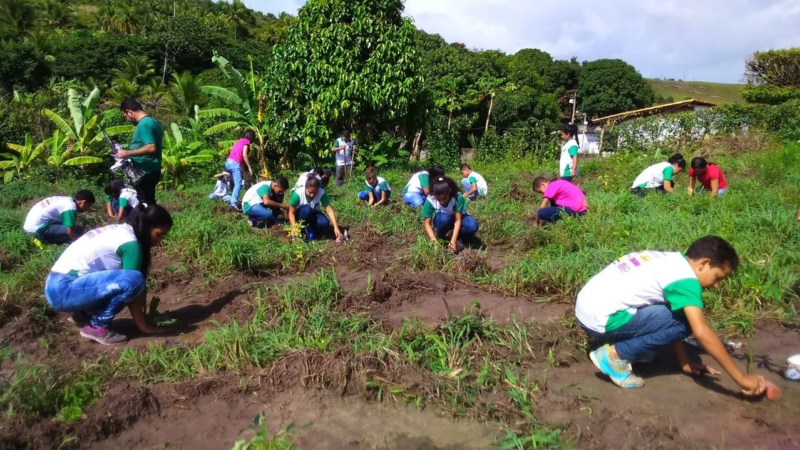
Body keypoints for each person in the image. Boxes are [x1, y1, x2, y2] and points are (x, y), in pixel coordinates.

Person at [576, 236, 768, 397]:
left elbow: (673, 312)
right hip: (603, 320)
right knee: (688, 324)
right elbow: (701, 332)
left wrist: (684, 361)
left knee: (678, 317)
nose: (716, 285)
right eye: (718, 277)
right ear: (704, 263)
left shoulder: (671, 259)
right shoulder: (686, 280)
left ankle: (624, 346)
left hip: (587, 311)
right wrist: (741, 378)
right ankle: (614, 355)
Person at [44, 204, 173, 345]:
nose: (159, 241)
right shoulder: (131, 245)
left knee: (118, 281)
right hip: (64, 290)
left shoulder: (121, 230)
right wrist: (144, 326)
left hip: (57, 284)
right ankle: (96, 327)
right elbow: (133, 288)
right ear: (145, 227)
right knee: (134, 280)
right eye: (159, 234)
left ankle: (82, 315)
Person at [116, 98, 164, 205]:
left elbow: (151, 147)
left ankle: (153, 216)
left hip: (146, 172)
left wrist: (127, 153)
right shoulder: (151, 121)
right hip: (151, 170)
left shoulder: (144, 124)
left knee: (146, 204)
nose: (127, 119)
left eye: (125, 115)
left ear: (129, 111)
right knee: (148, 201)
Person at [421, 176, 479, 252]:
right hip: (442, 220)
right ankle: (441, 237)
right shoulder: (431, 199)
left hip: (456, 218)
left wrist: (453, 240)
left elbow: (458, 220)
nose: (441, 202)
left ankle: (458, 237)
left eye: (444, 198)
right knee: (444, 219)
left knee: (472, 225)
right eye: (439, 199)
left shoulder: (457, 197)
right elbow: (427, 223)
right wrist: (434, 241)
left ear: (449, 192)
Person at [23, 191, 95, 245]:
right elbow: (70, 231)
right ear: (83, 202)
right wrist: (81, 242)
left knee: (68, 226)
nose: (87, 209)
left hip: (31, 225)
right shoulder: (70, 207)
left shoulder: (66, 200)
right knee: (78, 230)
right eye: (88, 206)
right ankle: (44, 241)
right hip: (36, 229)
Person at [288, 177, 343, 241]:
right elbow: (291, 212)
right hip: (300, 215)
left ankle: (309, 228)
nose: (312, 195)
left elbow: (329, 209)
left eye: (315, 192)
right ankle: (300, 228)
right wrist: (294, 227)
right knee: (307, 209)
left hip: (313, 214)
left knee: (324, 222)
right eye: (310, 192)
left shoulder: (321, 193)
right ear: (305, 188)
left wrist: (336, 227)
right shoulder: (298, 194)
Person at [224, 130, 255, 211]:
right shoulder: (246, 142)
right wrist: (249, 167)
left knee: (235, 184)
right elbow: (244, 155)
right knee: (238, 184)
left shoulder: (239, 142)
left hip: (228, 163)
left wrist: (245, 175)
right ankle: (233, 204)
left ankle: (232, 201)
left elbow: (240, 163)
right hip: (234, 164)